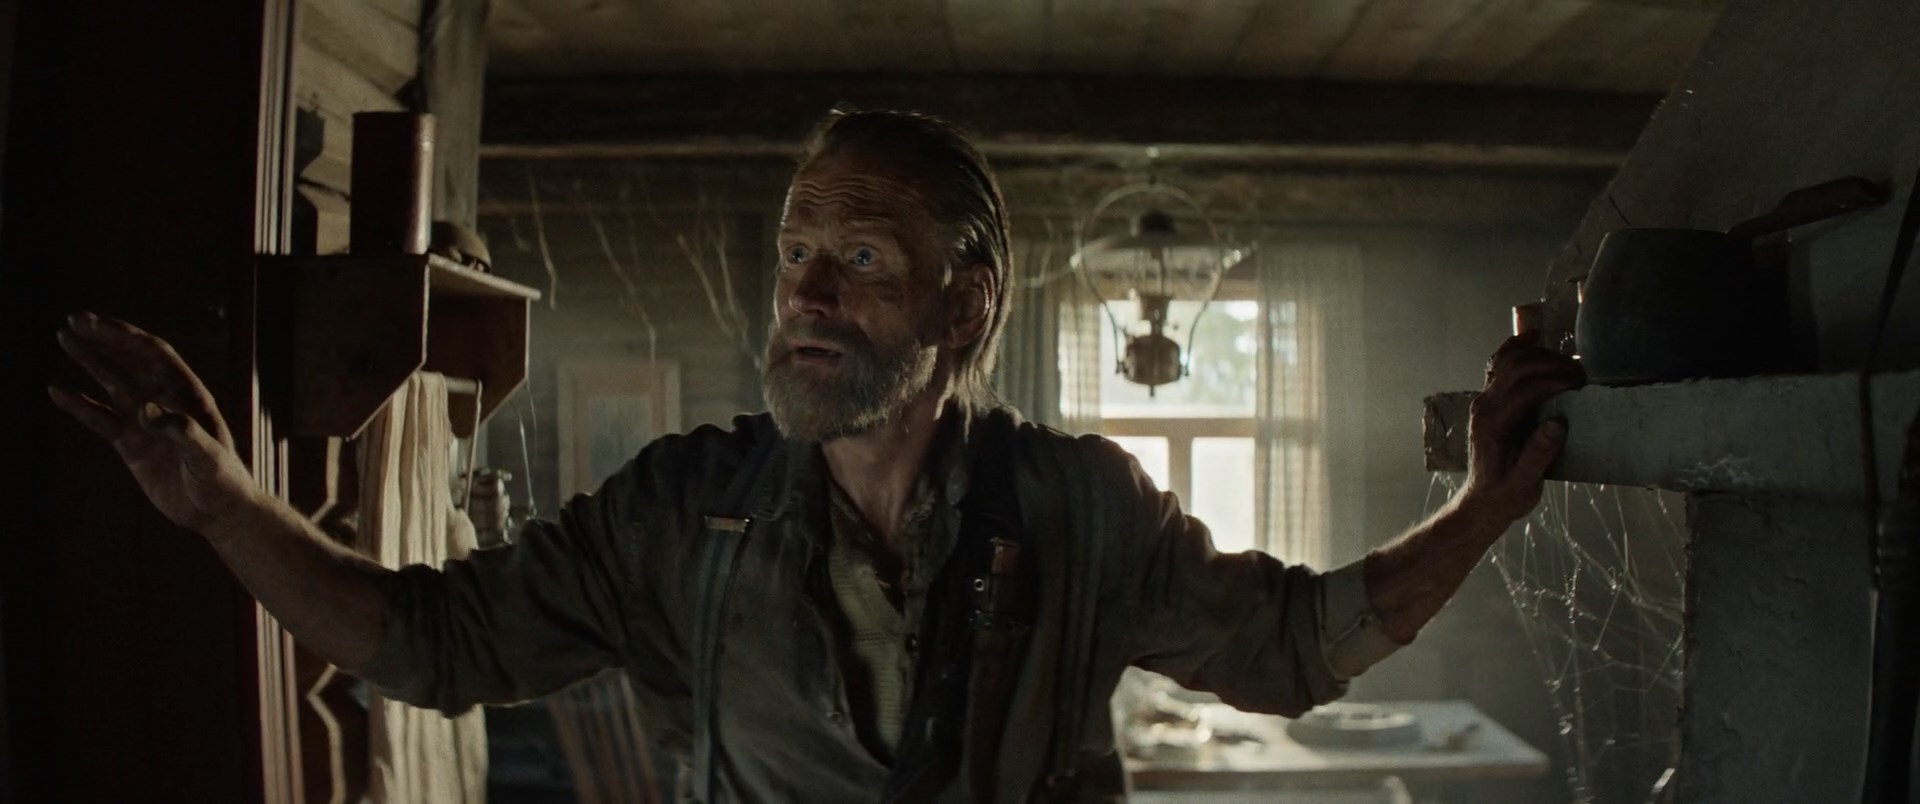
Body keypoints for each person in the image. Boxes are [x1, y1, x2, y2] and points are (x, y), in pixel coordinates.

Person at [48, 109, 1584, 802]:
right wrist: (224, 507)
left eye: (858, 256)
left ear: (966, 305)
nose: (806, 293)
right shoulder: (681, 513)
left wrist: (1484, 508)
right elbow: (429, 642)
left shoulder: (1074, 506)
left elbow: (1294, 646)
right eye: (795, 254)